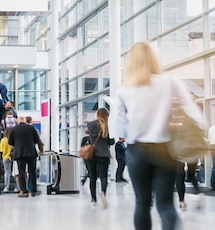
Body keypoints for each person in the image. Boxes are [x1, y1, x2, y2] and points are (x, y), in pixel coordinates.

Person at [109, 42, 206, 230]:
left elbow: (117, 128)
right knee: (166, 204)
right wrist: (201, 128)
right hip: (165, 149)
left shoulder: (124, 90)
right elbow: (193, 110)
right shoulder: (171, 82)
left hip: (137, 151)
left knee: (142, 203)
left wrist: (125, 134)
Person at [85, 107, 114, 209]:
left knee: (92, 177)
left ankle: (93, 200)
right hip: (104, 155)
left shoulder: (91, 124)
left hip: (91, 155)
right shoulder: (108, 126)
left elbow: (89, 135)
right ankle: (103, 194)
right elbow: (111, 142)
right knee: (103, 177)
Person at [9, 116, 42, 198]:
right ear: (24, 121)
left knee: (21, 172)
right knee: (32, 172)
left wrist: (17, 144)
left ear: (18, 121)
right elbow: (36, 140)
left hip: (19, 154)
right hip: (31, 152)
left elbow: (10, 142)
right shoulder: (31, 128)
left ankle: (23, 191)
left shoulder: (13, 129)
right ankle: (33, 190)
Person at [0, 127, 13, 193]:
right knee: (14, 172)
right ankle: (17, 187)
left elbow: (0, 149)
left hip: (5, 157)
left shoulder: (3, 140)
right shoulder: (13, 140)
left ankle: (6, 187)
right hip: (13, 157)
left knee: (7, 172)